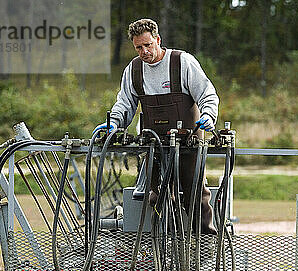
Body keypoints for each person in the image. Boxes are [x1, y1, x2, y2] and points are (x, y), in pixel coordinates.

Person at [93, 18, 219, 234]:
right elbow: (125, 103)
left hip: (188, 144)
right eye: (138, 47)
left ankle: (205, 251)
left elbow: (208, 94)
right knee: (156, 197)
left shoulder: (182, 62)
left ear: (157, 40)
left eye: (148, 45)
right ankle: (163, 253)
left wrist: (208, 115)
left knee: (195, 196)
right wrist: (113, 123)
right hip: (153, 146)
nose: (144, 51)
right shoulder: (133, 70)